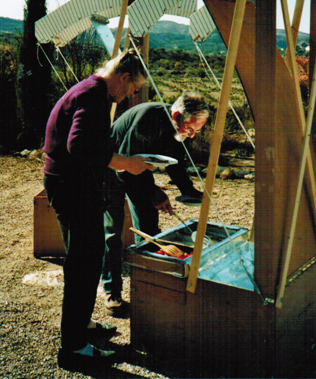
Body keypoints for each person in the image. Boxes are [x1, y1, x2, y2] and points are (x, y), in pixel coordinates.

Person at [43, 50, 153, 373]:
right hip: (69, 186)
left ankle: (78, 326)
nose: (132, 96)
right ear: (123, 78)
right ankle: (73, 348)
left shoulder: (95, 92)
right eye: (133, 89)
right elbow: (78, 146)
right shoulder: (94, 96)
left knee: (84, 258)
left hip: (66, 183)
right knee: (85, 262)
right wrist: (125, 163)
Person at [102, 91, 209, 316]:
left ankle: (149, 289)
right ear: (177, 115)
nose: (191, 135)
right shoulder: (148, 119)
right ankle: (112, 293)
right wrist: (154, 193)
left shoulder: (178, 128)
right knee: (112, 233)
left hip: (136, 171)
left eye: (196, 131)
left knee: (150, 230)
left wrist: (189, 191)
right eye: (190, 129)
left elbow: (176, 163)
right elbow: (126, 167)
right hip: (112, 168)